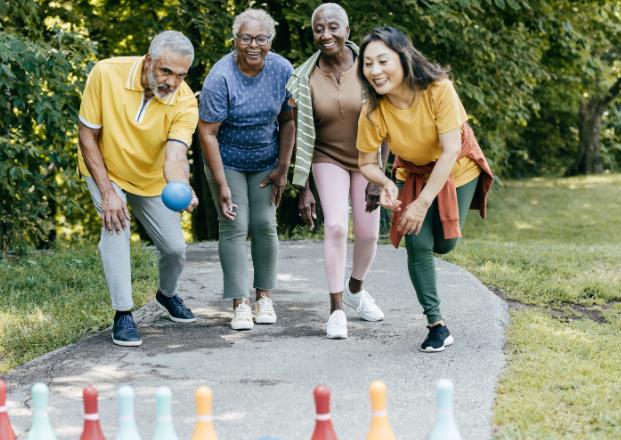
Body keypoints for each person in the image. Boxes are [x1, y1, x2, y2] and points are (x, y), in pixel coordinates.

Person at [355, 27, 494, 352]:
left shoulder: (438, 89)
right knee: (417, 243)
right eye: (367, 63)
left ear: (404, 58)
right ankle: (436, 325)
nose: (375, 71)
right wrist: (387, 183)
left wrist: (422, 204)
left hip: (457, 168)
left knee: (445, 244)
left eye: (382, 61)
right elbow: (366, 163)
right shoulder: (373, 108)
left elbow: (449, 150)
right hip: (412, 171)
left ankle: (438, 232)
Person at [77, 30, 200, 347]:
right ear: (149, 61)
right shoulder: (106, 73)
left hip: (151, 177)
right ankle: (123, 314)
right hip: (107, 168)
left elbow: (175, 154)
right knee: (115, 226)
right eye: (166, 71)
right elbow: (87, 135)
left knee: (175, 248)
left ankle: (166, 294)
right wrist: (107, 192)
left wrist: (181, 185)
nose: (172, 82)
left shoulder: (185, 102)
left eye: (180, 75)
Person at [287, 3, 387, 340]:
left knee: (370, 233)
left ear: (347, 29)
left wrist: (379, 176)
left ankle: (356, 289)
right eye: (319, 29)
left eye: (333, 27)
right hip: (326, 156)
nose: (326, 35)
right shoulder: (303, 77)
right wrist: (303, 187)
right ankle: (336, 309)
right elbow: (299, 132)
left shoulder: (371, 68)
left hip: (366, 159)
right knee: (334, 226)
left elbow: (386, 124)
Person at [197, 8, 295, 331]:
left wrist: (282, 167)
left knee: (265, 223)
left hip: (266, 159)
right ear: (236, 40)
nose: (254, 45)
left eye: (261, 38)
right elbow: (207, 132)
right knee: (235, 225)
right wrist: (221, 183)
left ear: (270, 40)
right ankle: (239, 302)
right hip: (227, 160)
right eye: (246, 38)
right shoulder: (220, 77)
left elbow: (288, 120)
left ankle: (264, 296)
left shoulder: (282, 70)